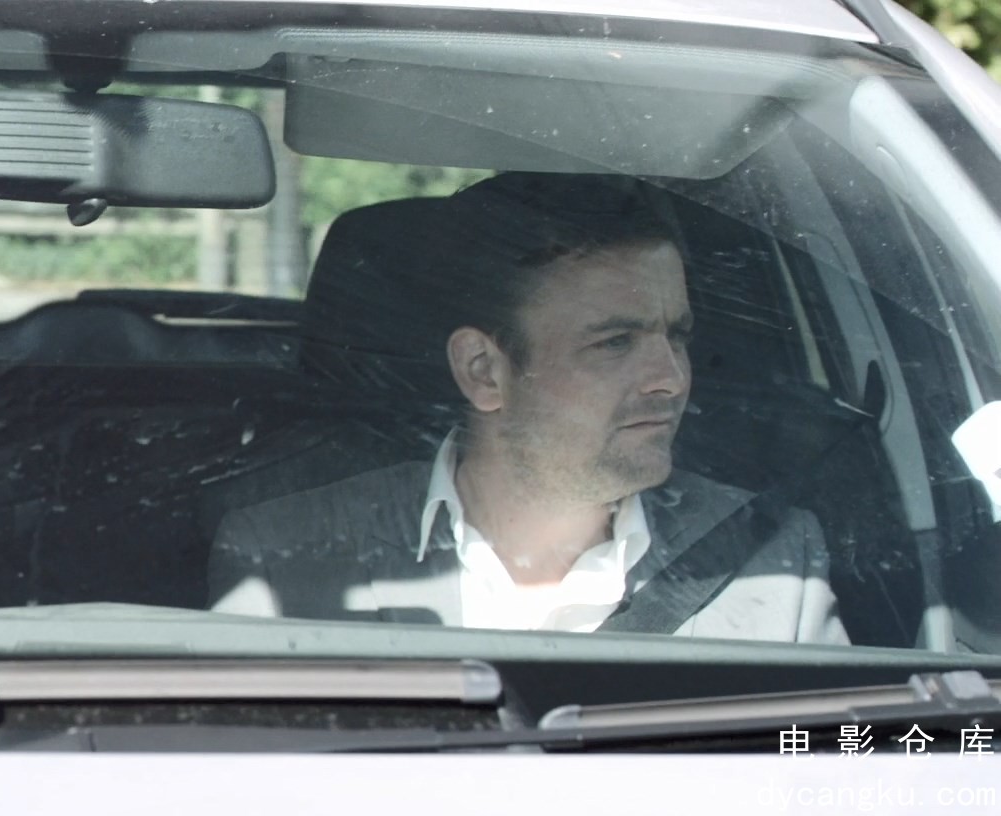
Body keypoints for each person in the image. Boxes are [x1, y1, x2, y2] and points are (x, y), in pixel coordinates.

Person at [208, 173, 847, 643]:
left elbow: (842, 761)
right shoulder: (283, 559)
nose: (671, 379)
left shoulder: (770, 558)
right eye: (615, 343)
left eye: (676, 336)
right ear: (483, 371)